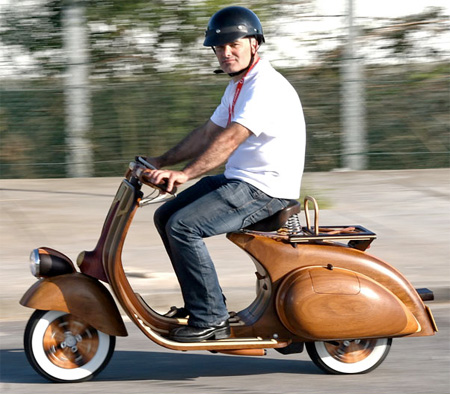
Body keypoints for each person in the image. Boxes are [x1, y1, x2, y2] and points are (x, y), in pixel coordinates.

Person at [143, 6, 306, 342]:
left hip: (265, 188)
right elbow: (208, 133)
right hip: (241, 180)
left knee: (184, 226)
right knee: (165, 215)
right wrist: (160, 160)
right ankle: (199, 304)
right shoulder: (238, 86)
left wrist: (185, 174)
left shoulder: (265, 86)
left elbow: (230, 139)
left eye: (234, 44)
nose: (226, 52)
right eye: (219, 47)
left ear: (254, 44)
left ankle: (212, 319)